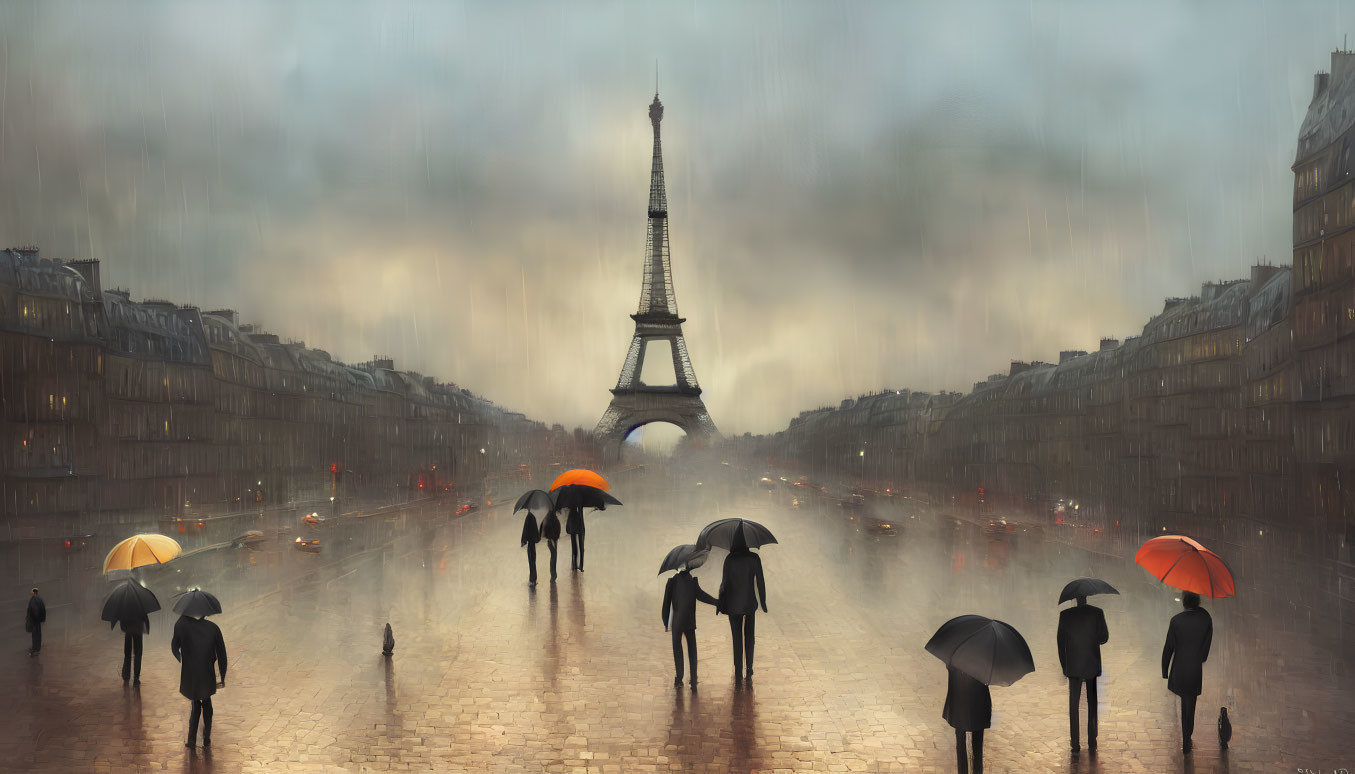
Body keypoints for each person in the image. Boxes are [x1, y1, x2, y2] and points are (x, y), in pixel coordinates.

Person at [1162, 591, 1213, 754]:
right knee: (1190, 703)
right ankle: (1187, 737)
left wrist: (1165, 669)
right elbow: (1206, 648)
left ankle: (1186, 737)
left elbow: (1169, 647)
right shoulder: (1205, 620)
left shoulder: (1176, 620)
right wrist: (1200, 656)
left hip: (1179, 667)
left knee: (1185, 701)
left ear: (1184, 602)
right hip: (1195, 668)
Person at [1057, 595, 1109, 752]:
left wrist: (1064, 666)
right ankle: (1092, 740)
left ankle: (1075, 742)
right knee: (1092, 702)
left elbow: (1060, 643)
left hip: (1073, 664)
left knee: (1073, 705)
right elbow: (1104, 638)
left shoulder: (1065, 615)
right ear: (1086, 598)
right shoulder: (1097, 613)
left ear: (1074, 599)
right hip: (1091, 663)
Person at [171, 614, 228, 748]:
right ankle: (206, 737)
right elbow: (222, 653)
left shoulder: (183, 627)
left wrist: (181, 658)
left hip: (191, 672)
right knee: (207, 702)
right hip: (207, 672)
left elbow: (174, 646)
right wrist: (222, 675)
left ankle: (191, 740)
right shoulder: (213, 628)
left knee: (195, 703)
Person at [717, 534, 767, 680]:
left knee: (736, 637)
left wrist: (720, 604)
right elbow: (760, 582)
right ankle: (750, 667)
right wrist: (763, 602)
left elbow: (723, 584)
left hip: (733, 604)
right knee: (750, 637)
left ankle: (738, 668)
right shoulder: (754, 558)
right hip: (749, 603)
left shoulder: (730, 559)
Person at [662, 564, 717, 688]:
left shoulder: (672, 582)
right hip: (690, 621)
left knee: (677, 649)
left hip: (677, 622)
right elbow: (702, 596)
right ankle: (693, 677)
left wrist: (666, 622)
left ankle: (679, 677)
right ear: (689, 569)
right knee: (692, 649)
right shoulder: (692, 582)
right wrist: (716, 602)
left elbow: (666, 604)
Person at [943, 664, 991, 774]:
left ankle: (964, 771)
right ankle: (977, 771)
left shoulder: (955, 653)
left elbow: (949, 667)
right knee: (977, 743)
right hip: (978, 699)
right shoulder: (983, 654)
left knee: (961, 741)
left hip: (960, 698)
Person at [119, 613, 150, 683]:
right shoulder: (140, 605)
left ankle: (126, 676)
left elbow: (121, 620)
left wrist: (123, 627)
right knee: (138, 654)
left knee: (127, 654)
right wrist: (147, 628)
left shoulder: (124, 606)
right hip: (138, 630)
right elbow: (145, 617)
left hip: (128, 630)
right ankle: (136, 677)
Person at [541, 509, 562, 582]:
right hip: (554, 540)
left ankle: (553, 574)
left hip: (550, 541)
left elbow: (544, 532)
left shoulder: (547, 519)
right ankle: (553, 574)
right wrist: (556, 536)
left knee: (553, 557)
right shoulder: (555, 520)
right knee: (554, 556)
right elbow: (558, 529)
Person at [521, 510, 541, 586]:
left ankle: (532, 579)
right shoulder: (533, 517)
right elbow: (536, 530)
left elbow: (525, 530)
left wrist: (523, 541)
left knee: (531, 562)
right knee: (533, 561)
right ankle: (534, 578)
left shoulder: (528, 518)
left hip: (530, 544)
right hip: (533, 543)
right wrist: (537, 538)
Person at [25, 588, 45, 656]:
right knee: (38, 634)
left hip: (34, 620)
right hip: (38, 620)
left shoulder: (33, 600)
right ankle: (38, 648)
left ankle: (35, 649)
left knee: (34, 635)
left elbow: (34, 610)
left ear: (33, 593)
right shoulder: (40, 599)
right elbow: (43, 609)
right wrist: (41, 619)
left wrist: (33, 619)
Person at [565, 506, 586, 572]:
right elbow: (579, 524)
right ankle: (578, 565)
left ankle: (574, 565)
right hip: (577, 532)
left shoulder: (570, 515)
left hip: (572, 533)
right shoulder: (577, 514)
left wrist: (569, 530)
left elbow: (567, 527)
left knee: (574, 549)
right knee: (577, 548)